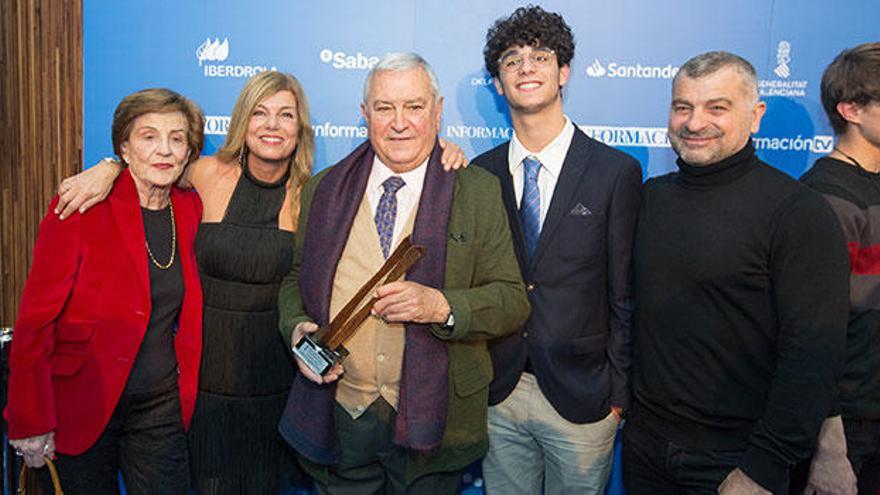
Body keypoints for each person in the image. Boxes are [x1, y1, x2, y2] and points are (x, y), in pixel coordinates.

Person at [54, 70, 467, 493]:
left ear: (300, 127)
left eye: (285, 115)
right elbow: (151, 166)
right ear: (242, 121)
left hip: (280, 383)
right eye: (260, 113)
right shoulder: (203, 173)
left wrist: (441, 151)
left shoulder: (317, 193)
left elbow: (399, 164)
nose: (272, 125)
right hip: (205, 383)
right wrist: (108, 167)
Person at [277, 52, 530, 494]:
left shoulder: (476, 190)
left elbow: (512, 300)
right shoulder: (324, 189)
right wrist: (297, 328)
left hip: (437, 422)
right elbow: (294, 278)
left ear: (437, 110)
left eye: (414, 106)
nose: (400, 123)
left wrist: (443, 305)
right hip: (340, 416)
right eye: (384, 107)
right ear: (364, 114)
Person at [625, 51, 850, 494]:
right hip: (645, 447)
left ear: (755, 116)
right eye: (683, 106)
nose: (694, 122)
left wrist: (761, 469)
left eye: (717, 107)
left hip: (736, 458)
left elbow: (813, 354)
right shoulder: (650, 198)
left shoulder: (798, 213)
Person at [472, 6, 641, 494]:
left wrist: (616, 398)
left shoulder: (614, 173)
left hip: (584, 399)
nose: (526, 67)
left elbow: (624, 292)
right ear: (498, 84)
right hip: (498, 393)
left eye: (540, 56)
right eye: (511, 59)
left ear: (563, 72)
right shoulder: (479, 176)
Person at [5, 88, 205, 494]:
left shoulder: (189, 208)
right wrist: (29, 417)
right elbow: (36, 318)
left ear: (188, 152)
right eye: (148, 136)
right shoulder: (82, 205)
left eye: (177, 138)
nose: (164, 149)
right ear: (124, 148)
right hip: (81, 402)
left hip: (159, 405)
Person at [793, 41, 880, 495]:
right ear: (851, 109)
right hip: (850, 428)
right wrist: (831, 445)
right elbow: (812, 331)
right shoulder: (826, 199)